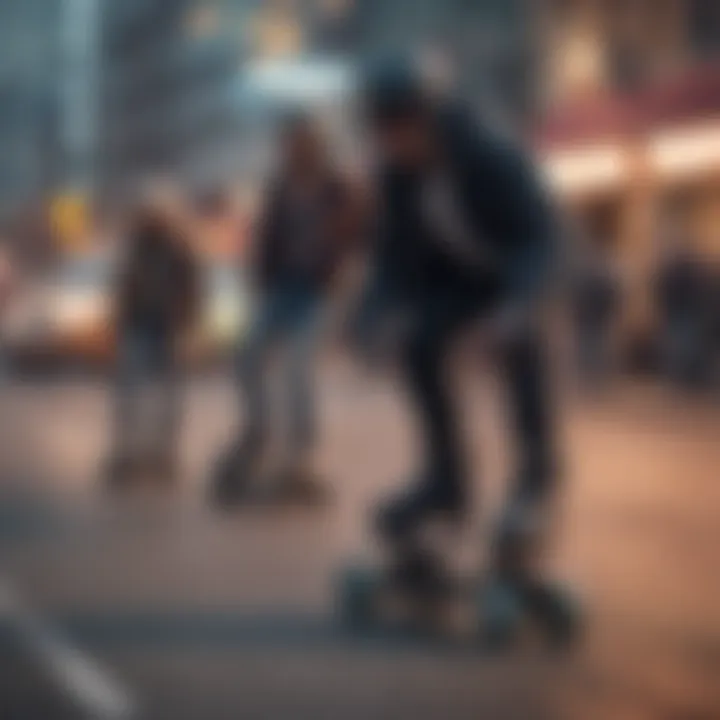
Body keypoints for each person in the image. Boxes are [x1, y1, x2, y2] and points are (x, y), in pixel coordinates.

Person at [354, 59, 561, 596]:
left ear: (431, 118)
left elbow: (539, 239)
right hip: (462, 289)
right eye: (382, 134)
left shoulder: (490, 157)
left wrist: (516, 307)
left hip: (521, 277)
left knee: (522, 342)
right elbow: (391, 262)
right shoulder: (398, 177)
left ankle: (534, 486)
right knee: (420, 344)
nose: (393, 146)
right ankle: (446, 484)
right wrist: (375, 320)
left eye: (400, 131)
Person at [212, 112, 360, 505]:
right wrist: (257, 272)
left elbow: (356, 232)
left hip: (317, 292)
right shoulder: (279, 187)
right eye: (289, 141)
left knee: (298, 369)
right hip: (280, 288)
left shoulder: (337, 187)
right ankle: (257, 430)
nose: (294, 149)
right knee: (247, 357)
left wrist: (341, 267)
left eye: (302, 141)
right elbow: (266, 233)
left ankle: (302, 454)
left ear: (316, 145)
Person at [106, 201, 200, 485]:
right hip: (138, 324)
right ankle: (131, 449)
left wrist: (184, 320)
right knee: (130, 390)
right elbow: (123, 286)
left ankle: (162, 452)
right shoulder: (135, 251)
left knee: (166, 394)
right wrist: (120, 317)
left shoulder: (178, 252)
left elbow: (191, 289)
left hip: (166, 327)